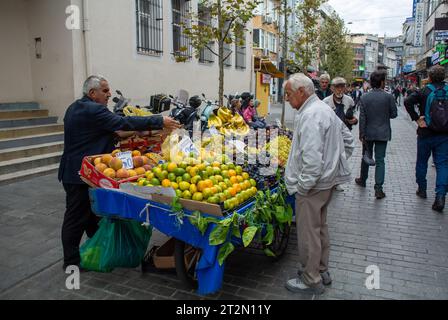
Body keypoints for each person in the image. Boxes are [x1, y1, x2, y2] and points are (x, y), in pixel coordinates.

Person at [58, 75, 181, 270]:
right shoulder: (93, 109)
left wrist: (141, 133)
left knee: (93, 215)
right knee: (76, 218)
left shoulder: (76, 107)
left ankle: (99, 249)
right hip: (79, 174)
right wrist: (159, 120)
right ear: (92, 93)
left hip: (82, 170)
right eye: (105, 91)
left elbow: (111, 129)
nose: (109, 94)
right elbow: (123, 122)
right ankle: (71, 262)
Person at [283, 73, 354, 294]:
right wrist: (334, 167)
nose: (286, 98)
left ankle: (310, 279)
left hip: (313, 186)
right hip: (325, 182)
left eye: (288, 94)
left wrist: (303, 186)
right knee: (320, 228)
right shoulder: (324, 110)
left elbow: (312, 160)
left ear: (301, 92)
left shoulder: (312, 114)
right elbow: (347, 141)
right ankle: (321, 269)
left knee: (308, 232)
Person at [404, 65, 448, 213]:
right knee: (442, 165)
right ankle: (440, 196)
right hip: (444, 135)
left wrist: (416, 119)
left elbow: (407, 101)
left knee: (422, 162)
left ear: (429, 77)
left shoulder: (424, 91)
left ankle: (422, 189)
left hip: (425, 133)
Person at [355, 71, 398, 199]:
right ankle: (378, 188)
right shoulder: (388, 97)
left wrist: (361, 134)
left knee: (366, 156)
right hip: (383, 133)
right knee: (380, 160)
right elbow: (394, 114)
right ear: (382, 82)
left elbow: (362, 118)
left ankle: (363, 179)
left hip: (368, 133)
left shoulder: (364, 97)